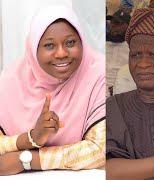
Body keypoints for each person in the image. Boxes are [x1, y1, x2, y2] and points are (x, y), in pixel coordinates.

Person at [0, 5, 105, 175]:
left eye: (70, 42)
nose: (62, 53)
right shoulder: (11, 80)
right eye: (49, 45)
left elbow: (99, 149)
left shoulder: (97, 72)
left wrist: (26, 160)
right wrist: (30, 138)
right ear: (34, 48)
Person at [106, 7, 154, 180]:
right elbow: (108, 170)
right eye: (135, 55)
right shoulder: (114, 107)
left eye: (153, 55)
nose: (142, 64)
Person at [106, 8, 131, 94]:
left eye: (117, 23)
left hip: (122, 91)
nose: (113, 25)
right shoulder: (102, 44)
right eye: (112, 22)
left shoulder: (132, 48)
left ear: (127, 26)